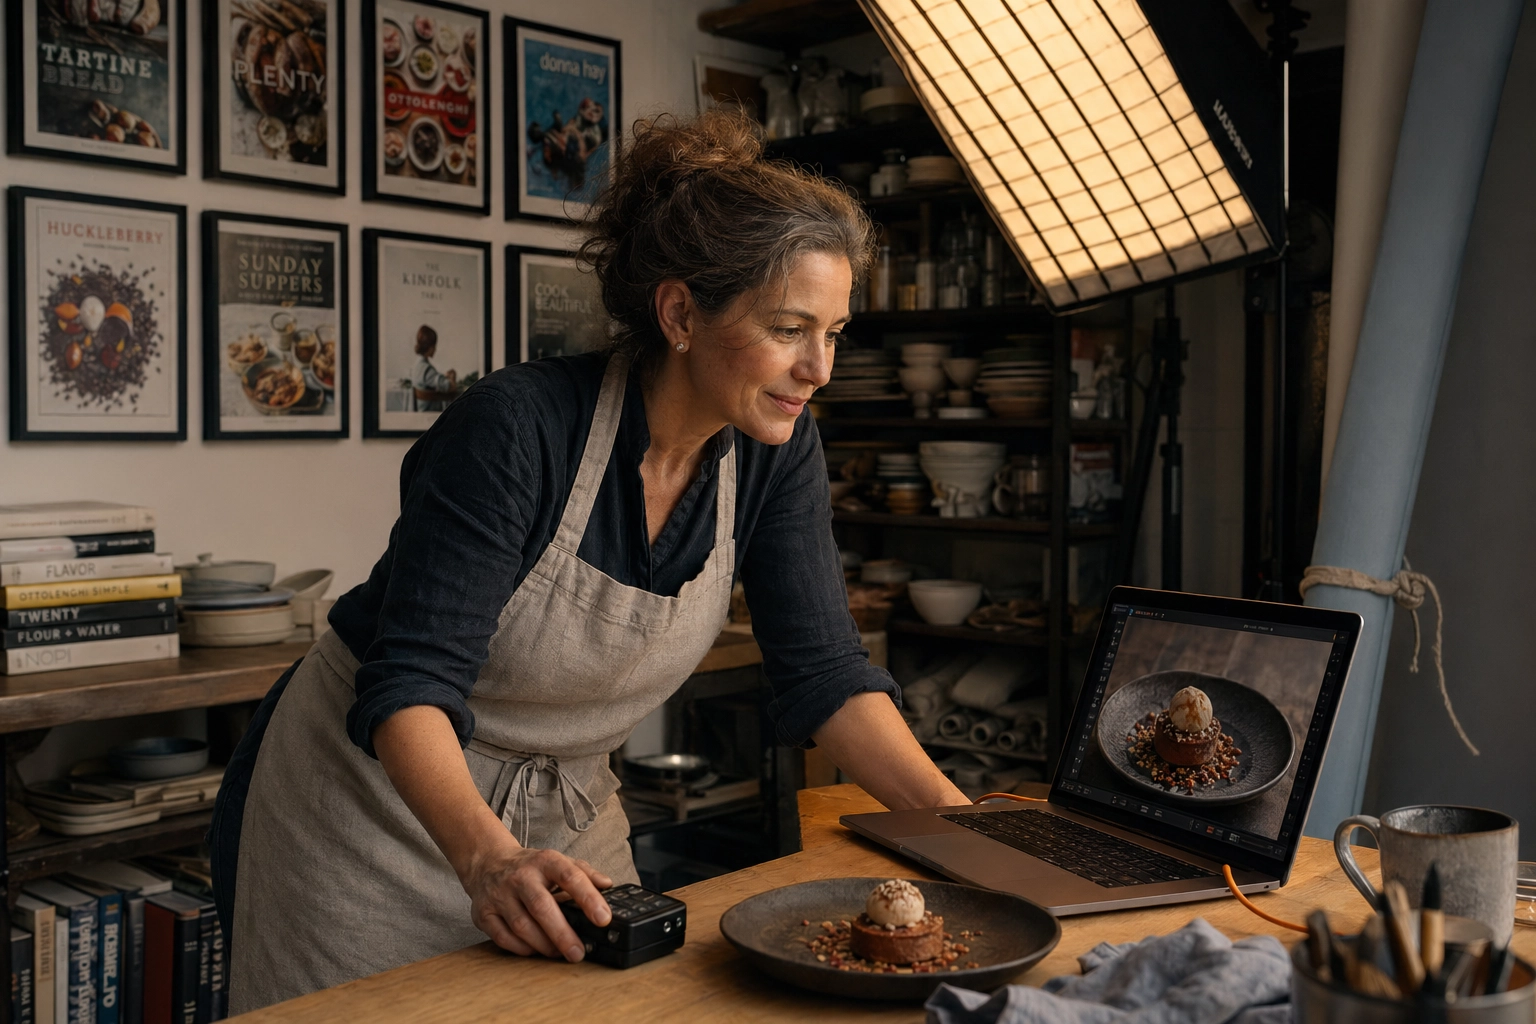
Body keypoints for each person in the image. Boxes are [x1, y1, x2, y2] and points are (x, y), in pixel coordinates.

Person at [210, 109, 968, 1014]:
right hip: (371, 813)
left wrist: (972, 835)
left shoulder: (775, 448)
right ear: (682, 311)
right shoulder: (518, 428)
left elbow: (828, 676)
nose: (820, 369)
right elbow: (410, 682)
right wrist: (488, 859)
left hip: (567, 820)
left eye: (835, 332)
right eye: (790, 327)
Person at [411, 324, 457, 411]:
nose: (435, 349)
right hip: (430, 415)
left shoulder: (418, 365)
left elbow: (431, 379)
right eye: (434, 346)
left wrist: (444, 376)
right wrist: (452, 378)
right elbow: (450, 387)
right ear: (429, 347)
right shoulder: (426, 369)